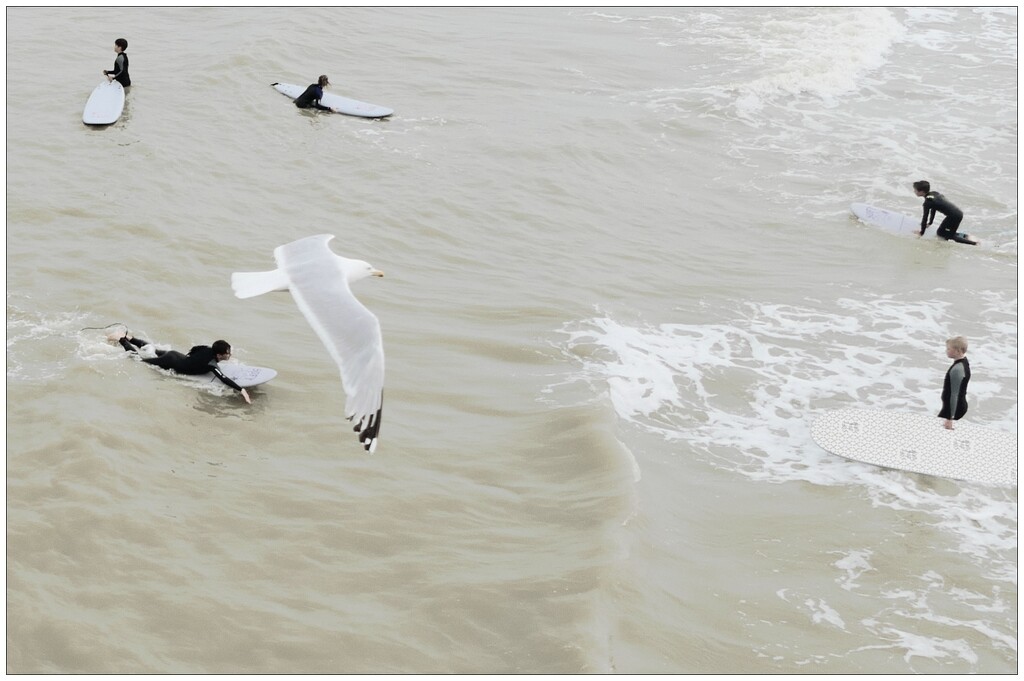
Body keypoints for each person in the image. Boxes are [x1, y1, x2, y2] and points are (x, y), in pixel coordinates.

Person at [108, 331, 251, 404]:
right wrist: (241, 390)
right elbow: (223, 378)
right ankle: (121, 339)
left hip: (175, 355)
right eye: (228, 353)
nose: (230, 355)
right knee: (139, 360)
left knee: (153, 348)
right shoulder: (212, 364)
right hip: (171, 362)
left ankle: (131, 338)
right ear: (219, 355)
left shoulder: (207, 349)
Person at [912, 180, 976, 245]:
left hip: (953, 216)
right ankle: (967, 236)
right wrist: (930, 223)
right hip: (959, 213)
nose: (914, 191)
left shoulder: (927, 202)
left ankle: (974, 243)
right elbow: (933, 209)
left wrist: (921, 232)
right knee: (949, 233)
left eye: (915, 190)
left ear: (921, 192)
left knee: (941, 233)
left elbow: (925, 217)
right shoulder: (934, 193)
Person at [938, 336, 971, 430]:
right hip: (954, 407)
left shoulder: (957, 369)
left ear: (958, 351)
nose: (946, 351)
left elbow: (954, 395)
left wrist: (950, 417)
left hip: (954, 409)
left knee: (941, 431)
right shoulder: (964, 362)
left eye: (949, 349)